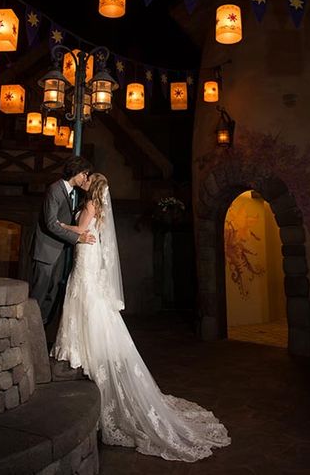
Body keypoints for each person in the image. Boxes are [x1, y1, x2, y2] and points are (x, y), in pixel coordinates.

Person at [51, 173, 231, 462]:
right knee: (89, 303)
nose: (83, 182)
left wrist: (59, 225)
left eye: (88, 180)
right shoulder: (101, 207)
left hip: (86, 258)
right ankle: (85, 347)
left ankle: (81, 349)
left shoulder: (88, 207)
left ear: (92, 187)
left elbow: (80, 230)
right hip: (91, 256)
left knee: (83, 298)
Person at [29, 155, 96, 326]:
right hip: (46, 251)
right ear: (76, 172)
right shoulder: (55, 189)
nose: (85, 178)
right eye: (84, 174)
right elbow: (51, 224)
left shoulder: (72, 192)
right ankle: (29, 330)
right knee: (39, 293)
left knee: (53, 292)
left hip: (58, 250)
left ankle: (40, 329)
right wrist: (78, 237)